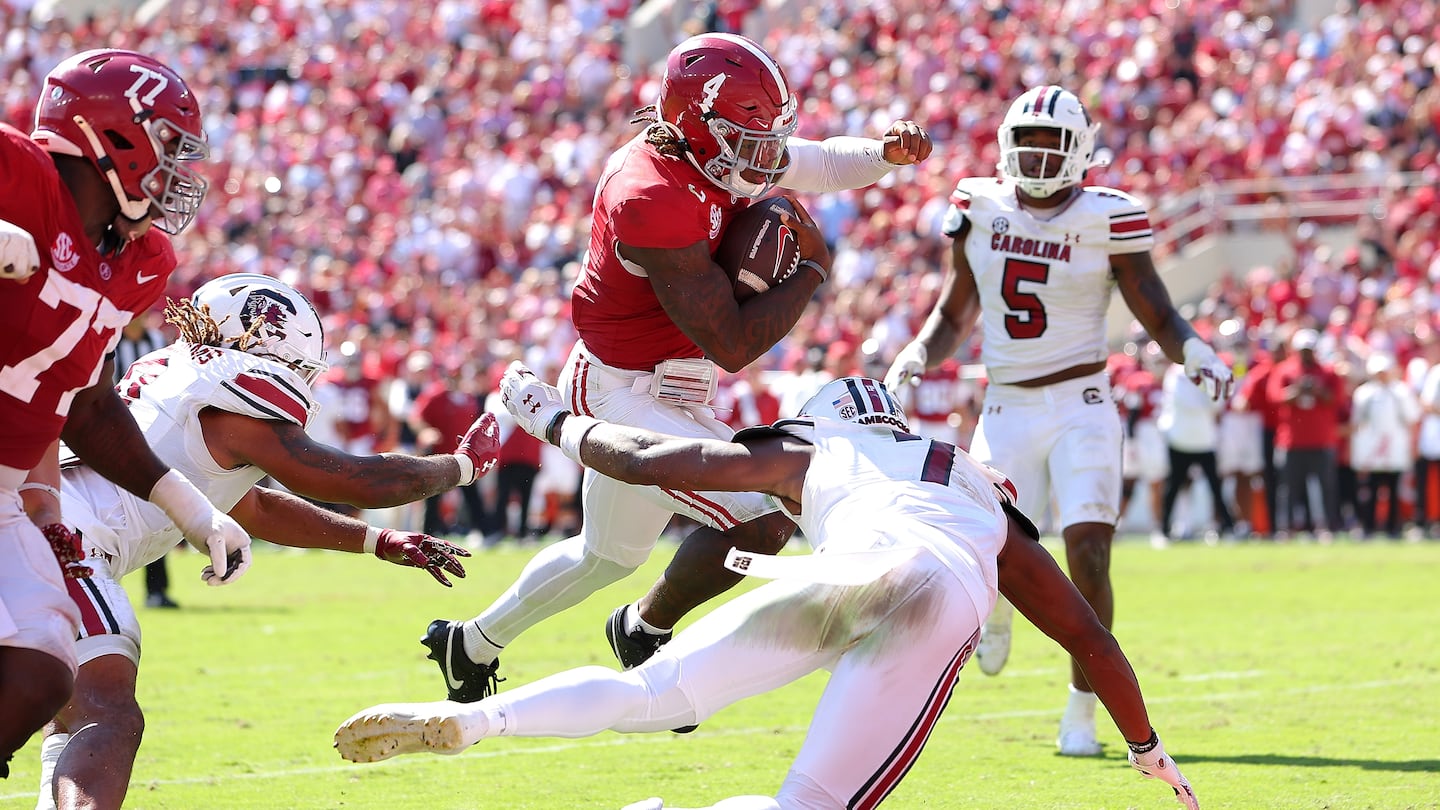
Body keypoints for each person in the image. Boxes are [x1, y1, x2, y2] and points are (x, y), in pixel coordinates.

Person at [335, 366, 1199, 810]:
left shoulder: (813, 451)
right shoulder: (973, 483)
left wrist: (550, 417)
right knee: (808, 805)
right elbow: (1088, 636)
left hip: (842, 566)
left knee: (650, 693)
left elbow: (650, 458)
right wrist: (1143, 744)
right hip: (937, 585)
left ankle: (478, 717)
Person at [422, 32, 932, 711]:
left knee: (606, 557)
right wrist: (813, 271)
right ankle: (643, 630)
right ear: (700, 128)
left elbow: (804, 160)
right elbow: (732, 342)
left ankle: (473, 644)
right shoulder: (650, 195)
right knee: (759, 519)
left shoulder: (712, 154)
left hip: (671, 379)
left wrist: (881, 155)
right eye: (752, 142)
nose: (767, 160)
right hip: (618, 388)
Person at [34, 273, 501, 810]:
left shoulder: (177, 374)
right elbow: (358, 478)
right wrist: (462, 465)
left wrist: (379, 540)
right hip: (64, 541)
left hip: (51, 530)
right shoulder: (229, 399)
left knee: (70, 709)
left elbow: (249, 505)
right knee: (108, 714)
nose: (300, 373)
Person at [883, 85, 1232, 756]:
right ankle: (1002, 612)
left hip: (1081, 401)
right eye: (1028, 145)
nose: (1039, 158)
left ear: (1079, 152)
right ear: (1007, 149)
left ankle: (1081, 710)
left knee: (1089, 556)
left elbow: (1156, 308)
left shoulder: (1110, 216)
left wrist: (1194, 350)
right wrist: (918, 351)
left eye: (1052, 145)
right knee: (993, 547)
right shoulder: (978, 206)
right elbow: (956, 309)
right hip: (1008, 404)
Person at [0, 49, 254, 779]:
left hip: (9, 487)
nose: (179, 170)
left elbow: (89, 404)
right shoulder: (18, 175)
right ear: (113, 135)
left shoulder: (139, 261)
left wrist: (193, 510)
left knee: (42, 671)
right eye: (169, 145)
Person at [113, 313, 183, 608]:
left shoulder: (156, 341)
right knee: (115, 514)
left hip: (152, 437)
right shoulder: (112, 343)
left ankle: (157, 590)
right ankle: (108, 589)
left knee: (155, 511)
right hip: (112, 437)